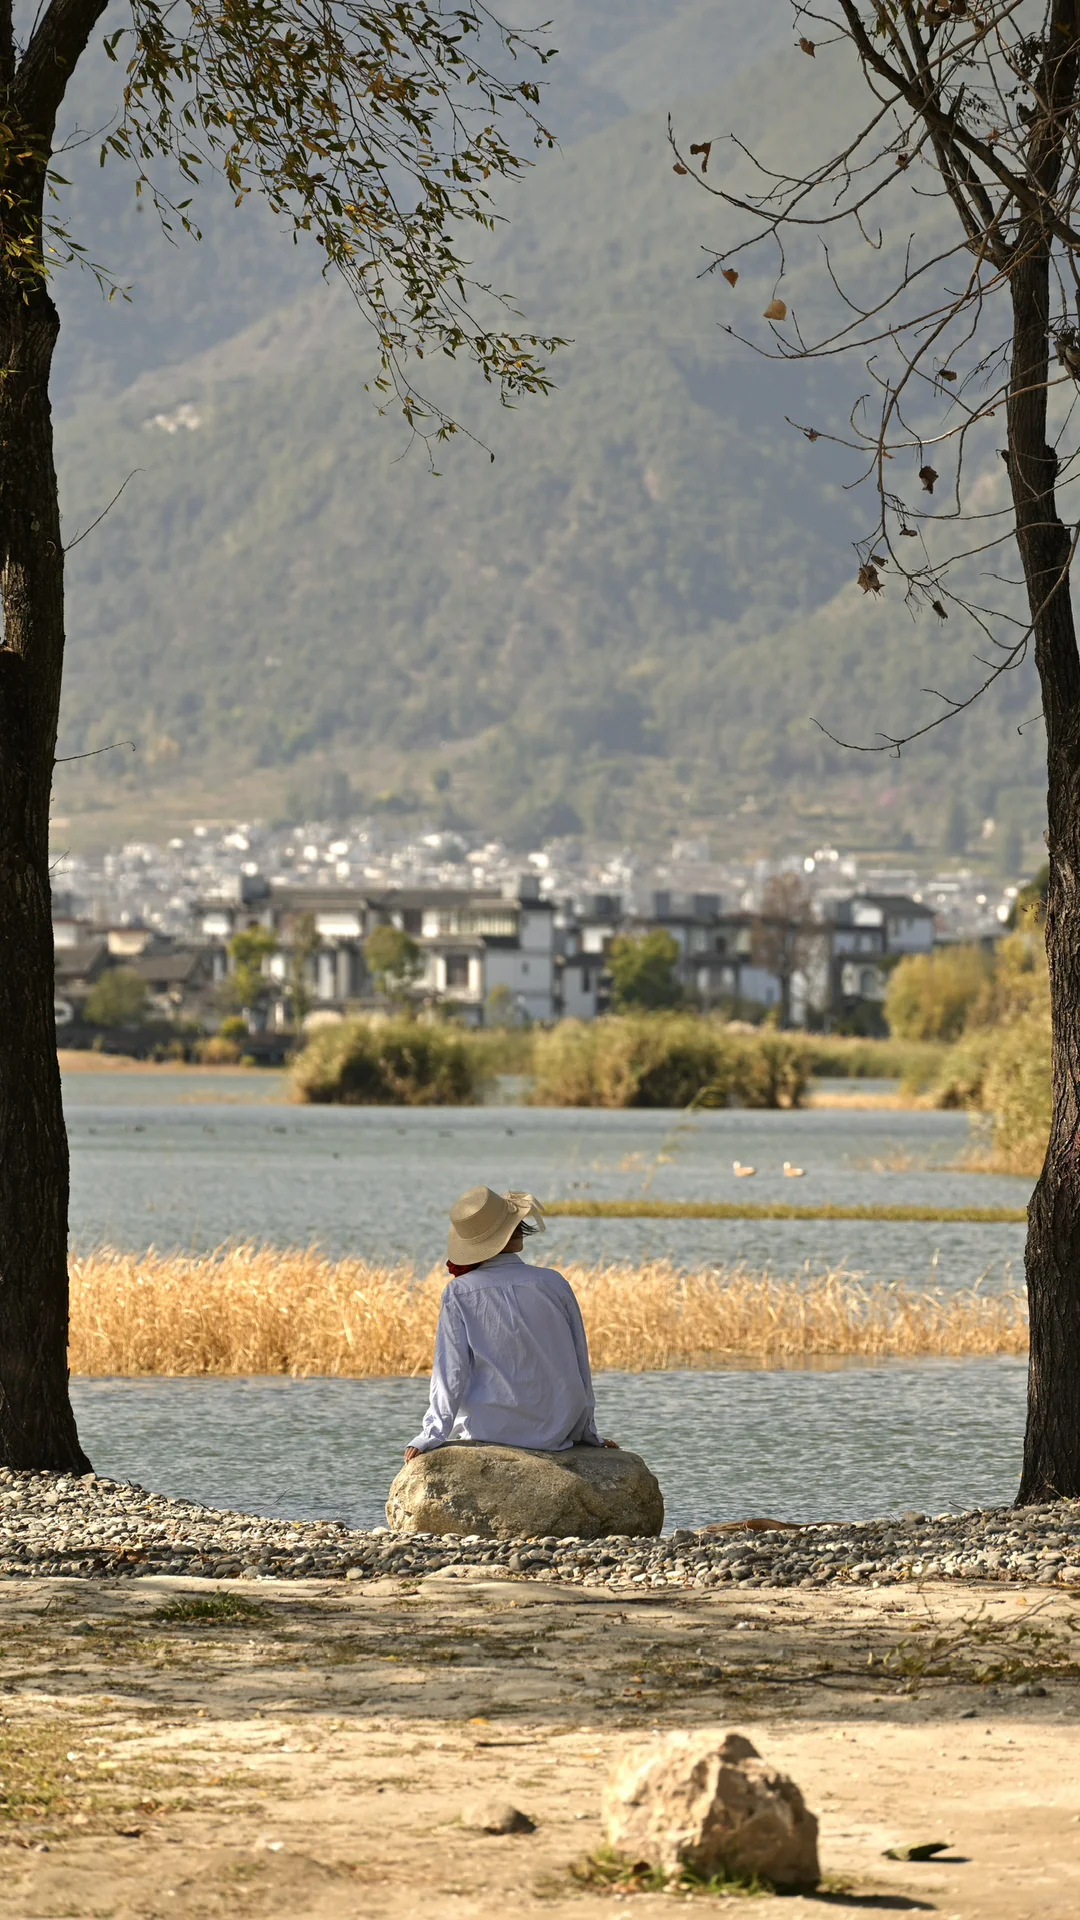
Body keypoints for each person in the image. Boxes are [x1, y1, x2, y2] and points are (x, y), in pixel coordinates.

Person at [405, 1184, 617, 1460]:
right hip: (558, 1430)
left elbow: (451, 1372)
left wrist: (431, 1435)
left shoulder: (460, 1292)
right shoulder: (554, 1282)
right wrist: (588, 1433)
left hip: (493, 1429)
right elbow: (579, 1363)